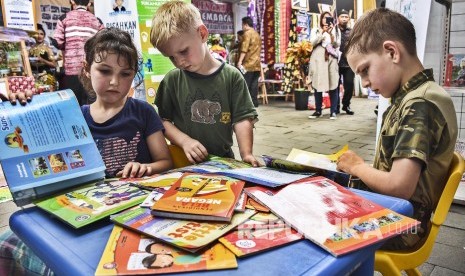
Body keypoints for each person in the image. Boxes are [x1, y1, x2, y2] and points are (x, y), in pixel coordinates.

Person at [0, 28, 174, 275]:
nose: (115, 82)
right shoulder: (73, 115)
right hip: (83, 215)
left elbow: (164, 161)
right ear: (86, 68)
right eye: (104, 71)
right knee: (9, 242)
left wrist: (146, 167)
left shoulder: (143, 111)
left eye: (125, 74)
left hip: (132, 212)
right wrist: (23, 108)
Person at [336, 8, 458, 250]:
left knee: (309, 226)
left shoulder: (419, 104)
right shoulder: (412, 97)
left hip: (402, 225)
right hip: (392, 212)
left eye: (364, 70)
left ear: (392, 52)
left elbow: (399, 186)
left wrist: (357, 167)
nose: (365, 83)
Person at [150, 0, 259, 166]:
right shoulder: (172, 80)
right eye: (171, 57)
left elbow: (242, 119)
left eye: (183, 51)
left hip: (223, 160)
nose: (179, 62)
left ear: (202, 34)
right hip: (182, 162)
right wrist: (184, 141)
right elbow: (162, 121)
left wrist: (246, 154)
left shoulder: (232, 77)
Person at [53, 0, 103, 106]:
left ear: (72, 1)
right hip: (91, 71)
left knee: (73, 106)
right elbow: (103, 44)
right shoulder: (97, 21)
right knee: (92, 106)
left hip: (72, 71)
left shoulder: (64, 18)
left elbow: (57, 42)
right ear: (89, 3)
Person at [308, 11, 340, 120]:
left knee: (333, 83)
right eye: (324, 18)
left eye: (328, 18)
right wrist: (322, 33)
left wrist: (331, 34)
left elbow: (337, 44)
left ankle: (333, 111)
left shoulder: (335, 30)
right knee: (317, 83)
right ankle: (318, 110)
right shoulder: (316, 30)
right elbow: (312, 43)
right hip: (318, 59)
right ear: (321, 19)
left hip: (331, 58)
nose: (326, 20)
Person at [237, 16, 262, 107]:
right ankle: (254, 102)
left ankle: (246, 103)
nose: (242, 27)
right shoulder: (257, 34)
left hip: (248, 64)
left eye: (242, 25)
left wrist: (239, 61)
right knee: (254, 84)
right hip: (257, 63)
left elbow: (244, 49)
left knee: (245, 83)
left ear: (246, 24)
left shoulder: (247, 34)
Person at [337, 9, 355, 115]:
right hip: (336, 62)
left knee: (349, 85)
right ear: (338, 18)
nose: (344, 19)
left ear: (348, 19)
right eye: (342, 16)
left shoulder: (351, 31)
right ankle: (336, 106)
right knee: (335, 86)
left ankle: (346, 105)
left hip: (348, 63)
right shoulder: (334, 30)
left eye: (346, 17)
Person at [29, 24, 57, 91]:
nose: (39, 36)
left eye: (41, 34)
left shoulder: (47, 48)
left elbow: (54, 64)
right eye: (37, 34)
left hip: (46, 77)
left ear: (44, 36)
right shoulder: (31, 49)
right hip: (34, 78)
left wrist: (42, 60)